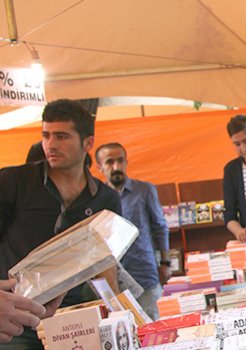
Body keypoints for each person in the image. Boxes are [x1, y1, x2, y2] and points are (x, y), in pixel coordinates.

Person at [0, 99, 121, 349]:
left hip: (76, 316)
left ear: (88, 143)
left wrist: (118, 309)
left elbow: (107, 264)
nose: (51, 144)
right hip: (16, 316)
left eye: (62, 136)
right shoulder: (13, 181)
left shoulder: (106, 198)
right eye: (46, 135)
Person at [95, 142, 171, 320]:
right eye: (109, 162)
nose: (116, 167)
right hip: (112, 282)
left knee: (154, 330)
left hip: (144, 274)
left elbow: (160, 226)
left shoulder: (144, 190)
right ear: (99, 167)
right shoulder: (97, 198)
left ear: (126, 162)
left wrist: (166, 262)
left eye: (121, 161)